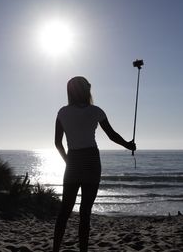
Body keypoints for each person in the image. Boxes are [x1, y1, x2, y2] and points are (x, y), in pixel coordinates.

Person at [53, 76, 136, 252]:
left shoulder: (62, 112)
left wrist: (68, 161)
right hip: (91, 160)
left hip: (73, 160)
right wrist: (128, 145)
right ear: (87, 89)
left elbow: (57, 143)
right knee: (85, 213)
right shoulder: (96, 111)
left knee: (64, 211)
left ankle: (55, 249)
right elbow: (112, 135)